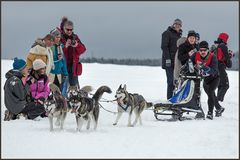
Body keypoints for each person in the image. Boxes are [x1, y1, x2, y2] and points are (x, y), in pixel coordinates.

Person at [190, 41, 225, 120]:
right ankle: (219, 108)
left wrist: (204, 67)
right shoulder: (195, 55)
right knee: (211, 95)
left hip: (214, 78)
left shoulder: (213, 57)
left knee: (210, 92)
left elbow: (214, 71)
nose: (202, 52)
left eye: (204, 50)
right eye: (201, 50)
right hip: (205, 79)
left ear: (208, 50)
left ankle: (210, 113)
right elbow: (189, 62)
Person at [60, 17, 86, 88]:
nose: (69, 31)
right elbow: (56, 53)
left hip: (73, 68)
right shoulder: (59, 37)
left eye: (71, 30)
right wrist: (65, 47)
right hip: (62, 68)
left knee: (74, 88)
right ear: (63, 28)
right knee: (62, 88)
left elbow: (83, 50)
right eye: (67, 29)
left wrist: (77, 45)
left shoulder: (75, 37)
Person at [161, 18, 183, 99]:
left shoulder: (179, 36)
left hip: (177, 63)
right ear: (173, 25)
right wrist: (167, 59)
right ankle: (169, 99)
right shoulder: (167, 33)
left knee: (176, 82)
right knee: (170, 82)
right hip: (169, 62)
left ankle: (174, 99)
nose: (177, 26)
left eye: (179, 25)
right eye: (176, 24)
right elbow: (164, 46)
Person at [48, 28, 68, 97]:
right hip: (51, 74)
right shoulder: (49, 47)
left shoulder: (60, 47)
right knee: (49, 92)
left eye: (59, 37)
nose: (58, 39)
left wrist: (65, 73)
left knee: (58, 93)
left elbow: (63, 61)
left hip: (59, 74)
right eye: (56, 37)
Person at [213, 33, 232, 102]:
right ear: (225, 39)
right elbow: (228, 63)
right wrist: (229, 56)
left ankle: (218, 101)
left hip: (215, 67)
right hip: (220, 67)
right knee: (225, 85)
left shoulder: (216, 46)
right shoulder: (223, 46)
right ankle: (219, 101)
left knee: (220, 85)